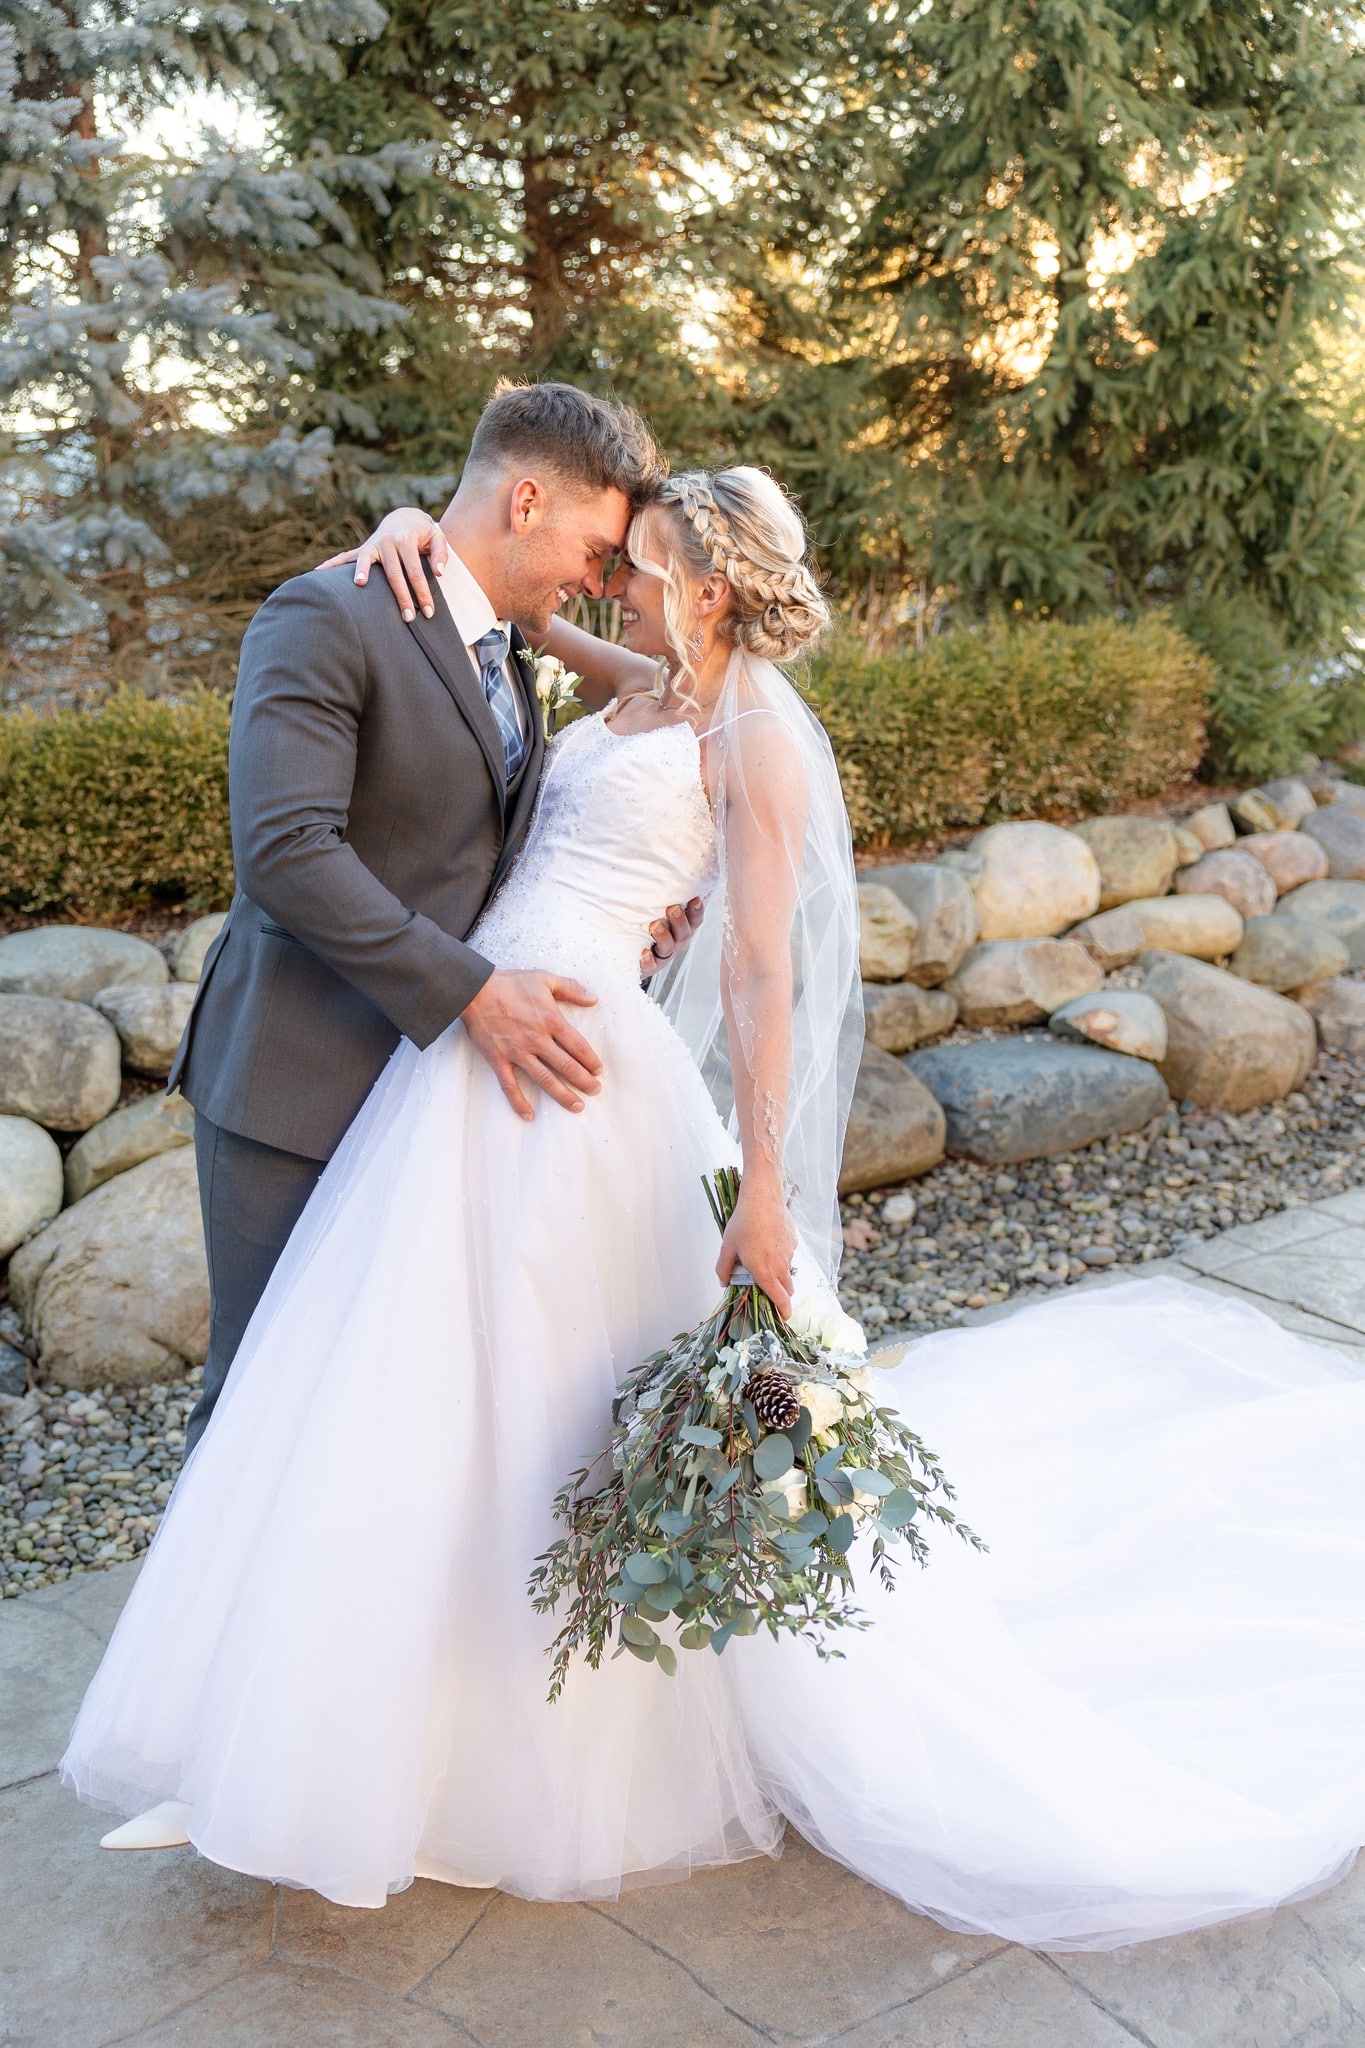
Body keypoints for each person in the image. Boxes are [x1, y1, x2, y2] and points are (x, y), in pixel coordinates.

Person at [63, 467, 1365, 1952]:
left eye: (649, 561)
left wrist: (755, 1189)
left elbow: (759, 972)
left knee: (537, 1399)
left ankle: (511, 1743)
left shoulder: (753, 731)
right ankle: (352, 1721)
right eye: (618, 557)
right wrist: (420, 529)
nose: (618, 578)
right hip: (475, 1054)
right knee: (417, 1397)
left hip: (576, 1073)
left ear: (713, 581)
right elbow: (519, 623)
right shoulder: (655, 682)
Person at [167, 379, 699, 1457]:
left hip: (429, 1102)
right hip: (301, 1080)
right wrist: (472, 992)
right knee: (261, 1403)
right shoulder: (326, 612)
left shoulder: (509, 645)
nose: (600, 581)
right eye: (598, 547)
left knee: (384, 1415)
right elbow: (286, 850)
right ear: (528, 500)